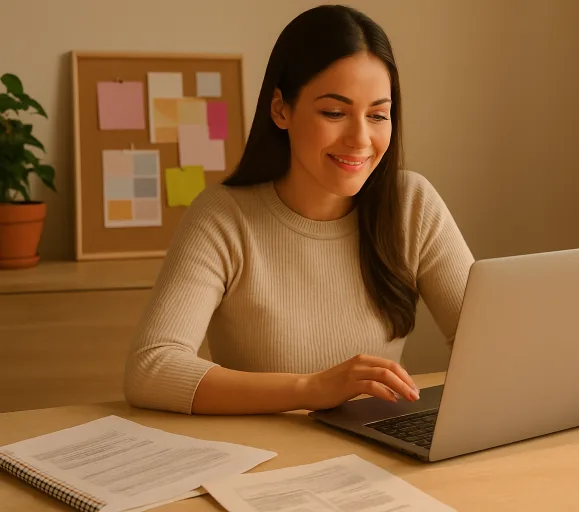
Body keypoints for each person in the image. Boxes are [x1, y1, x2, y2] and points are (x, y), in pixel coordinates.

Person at [124, 4, 474, 415]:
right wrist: (310, 389)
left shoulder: (412, 204)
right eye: (334, 112)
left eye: (378, 115)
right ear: (281, 109)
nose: (361, 139)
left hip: (375, 448)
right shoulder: (223, 217)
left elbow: (492, 344)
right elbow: (151, 368)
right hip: (261, 451)